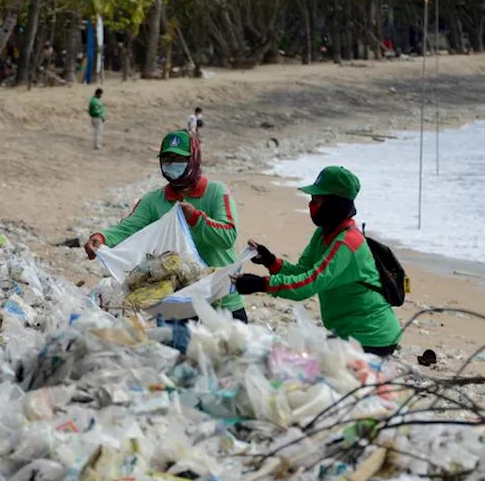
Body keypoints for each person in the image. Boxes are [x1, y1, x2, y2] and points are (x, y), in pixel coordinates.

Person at [233, 166, 400, 356]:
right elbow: (302, 271)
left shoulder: (347, 243)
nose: (311, 205)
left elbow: (309, 284)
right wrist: (271, 262)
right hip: (348, 333)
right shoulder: (323, 234)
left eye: (317, 200)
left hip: (372, 336)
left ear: (335, 205)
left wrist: (262, 284)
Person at [85, 130, 246, 322]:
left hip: (222, 301)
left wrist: (195, 218)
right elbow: (129, 228)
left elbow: (228, 237)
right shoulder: (154, 201)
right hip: (180, 304)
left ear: (194, 159)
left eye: (179, 159)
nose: (172, 164)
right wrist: (101, 239)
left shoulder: (215, 192)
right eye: (167, 159)